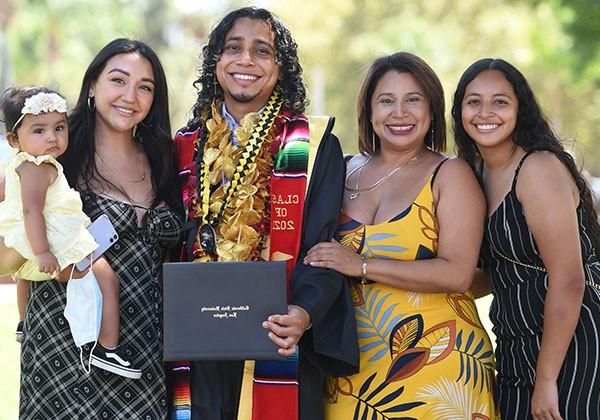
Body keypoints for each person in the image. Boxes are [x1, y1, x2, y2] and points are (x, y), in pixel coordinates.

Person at [169, 7, 358, 420]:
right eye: (233, 48)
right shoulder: (182, 146)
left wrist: (303, 313)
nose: (246, 61)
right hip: (196, 343)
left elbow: (322, 246)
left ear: (280, 66)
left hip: (278, 333)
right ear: (215, 61)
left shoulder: (312, 145)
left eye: (262, 51)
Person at [304, 52, 497, 419]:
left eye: (413, 100)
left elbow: (457, 273)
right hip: (350, 367)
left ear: (431, 109)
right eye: (386, 101)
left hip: (438, 365)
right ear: (369, 111)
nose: (400, 113)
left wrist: (360, 264)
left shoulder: (449, 173)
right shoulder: (341, 170)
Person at [18, 39, 183, 419]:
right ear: (92, 85)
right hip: (65, 346)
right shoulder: (57, 152)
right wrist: (61, 264)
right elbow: (14, 233)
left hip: (144, 349)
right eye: (118, 81)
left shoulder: (165, 157)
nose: (130, 96)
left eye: (145, 87)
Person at [452, 58, 600, 420]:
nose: (486, 112)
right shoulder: (474, 172)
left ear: (521, 109)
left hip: (571, 341)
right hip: (515, 343)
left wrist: (547, 377)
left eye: (500, 101)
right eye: (474, 102)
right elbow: (501, 273)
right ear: (459, 111)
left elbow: (568, 279)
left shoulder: (538, 168)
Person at [0, 86, 142, 379]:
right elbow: (32, 211)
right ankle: (107, 348)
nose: (52, 137)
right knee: (105, 276)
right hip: (46, 236)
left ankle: (23, 321)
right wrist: (42, 251)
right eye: (39, 131)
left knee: (23, 276)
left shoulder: (24, 163)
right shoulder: (38, 167)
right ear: (14, 139)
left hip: (26, 237)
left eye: (59, 128)